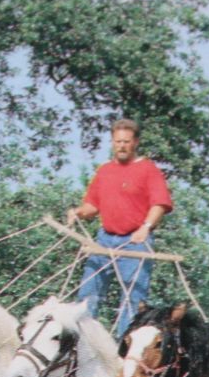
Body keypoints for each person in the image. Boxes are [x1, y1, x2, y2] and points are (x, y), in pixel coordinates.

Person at [67, 118, 173, 337]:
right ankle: (80, 344)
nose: (121, 146)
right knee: (88, 295)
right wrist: (78, 211)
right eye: (117, 142)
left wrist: (146, 227)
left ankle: (123, 354)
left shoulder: (148, 170)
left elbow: (160, 204)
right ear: (112, 143)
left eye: (126, 142)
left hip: (135, 242)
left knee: (133, 300)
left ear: (135, 143)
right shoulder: (105, 171)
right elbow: (92, 206)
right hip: (104, 238)